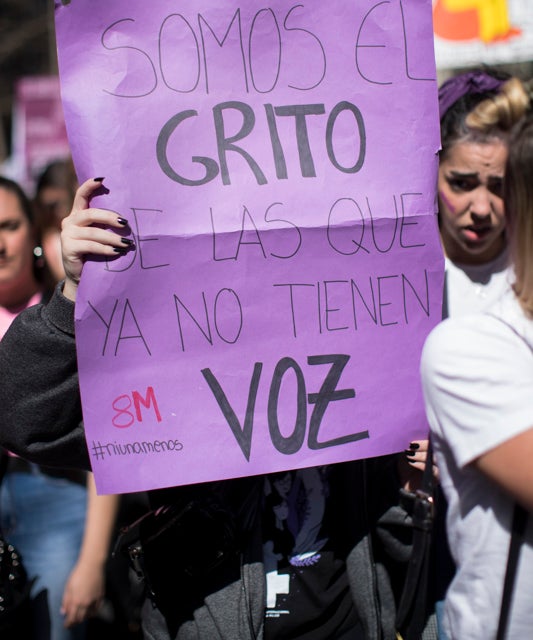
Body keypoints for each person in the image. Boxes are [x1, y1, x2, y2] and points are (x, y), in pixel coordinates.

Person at [0, 173, 425, 640]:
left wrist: (416, 490)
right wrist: (75, 291)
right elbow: (25, 418)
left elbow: (406, 543)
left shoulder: (358, 358)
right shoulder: (173, 373)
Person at [404, 69, 531, 635]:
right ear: (429, 174)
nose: (481, 208)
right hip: (425, 553)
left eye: (499, 186)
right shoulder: (391, 283)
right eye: (461, 182)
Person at [0, 176, 119, 640]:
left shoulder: (73, 306)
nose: (0, 242)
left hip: (62, 492)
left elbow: (109, 436)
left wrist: (91, 560)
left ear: (34, 231)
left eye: (8, 225)